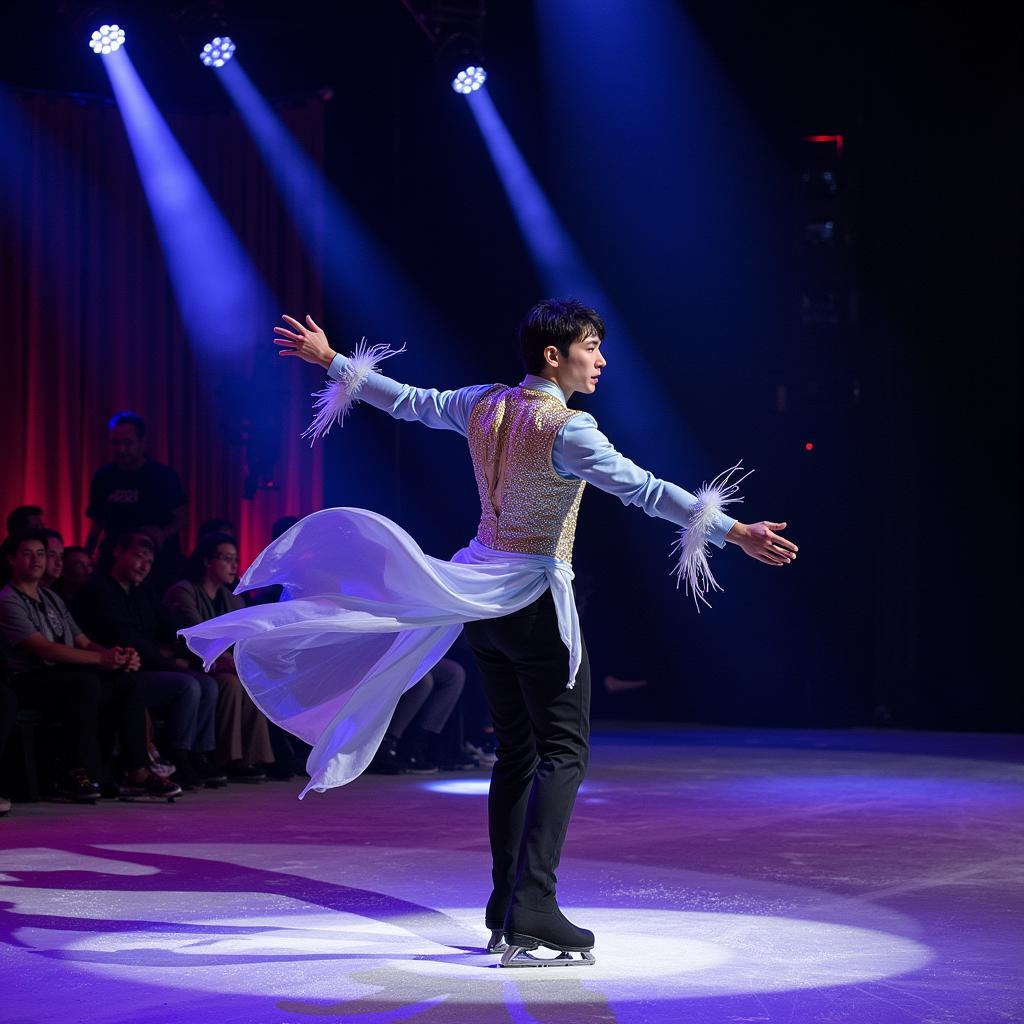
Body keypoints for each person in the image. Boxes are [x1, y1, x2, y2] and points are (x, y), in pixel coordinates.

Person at [181, 300, 797, 967]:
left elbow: (410, 401)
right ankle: (533, 904)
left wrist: (333, 360)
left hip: (480, 598)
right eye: (591, 346)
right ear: (553, 355)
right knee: (564, 751)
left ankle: (507, 907)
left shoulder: (484, 404)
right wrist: (733, 531)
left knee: (518, 753)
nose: (602, 359)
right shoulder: (569, 428)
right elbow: (643, 489)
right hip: (531, 598)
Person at [0, 530, 180, 801]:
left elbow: (83, 641)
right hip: (28, 680)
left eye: (41, 553)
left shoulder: (51, 598)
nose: (36, 560)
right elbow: (42, 648)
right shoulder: (7, 599)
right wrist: (101, 660)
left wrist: (116, 656)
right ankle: (73, 771)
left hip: (61, 677)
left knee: (125, 682)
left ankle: (137, 771)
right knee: (84, 681)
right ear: (11, 559)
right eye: (27, 553)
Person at [73, 532, 224, 790]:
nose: (144, 566)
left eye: (149, 562)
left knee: (208, 683)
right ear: (118, 552)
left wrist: (198, 654)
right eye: (139, 557)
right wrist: (173, 663)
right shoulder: (98, 589)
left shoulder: (142, 591)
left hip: (146, 667)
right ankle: (179, 754)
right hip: (118, 670)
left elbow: (172, 629)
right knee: (188, 686)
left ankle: (199, 754)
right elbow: (126, 637)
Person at [164, 533, 274, 781]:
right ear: (206, 561)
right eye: (227, 559)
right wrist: (241, 667)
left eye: (236, 559)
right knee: (234, 683)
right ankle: (227, 758)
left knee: (250, 684)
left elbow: (246, 637)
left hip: (223, 665)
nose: (234, 566)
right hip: (189, 662)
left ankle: (251, 757)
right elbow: (197, 639)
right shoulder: (183, 591)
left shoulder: (231, 597)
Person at [85, 411, 188, 593]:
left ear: (142, 442)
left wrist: (161, 535)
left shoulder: (162, 477)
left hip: (158, 565)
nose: (121, 450)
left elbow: (180, 517)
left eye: (127, 443)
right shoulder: (104, 477)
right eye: (116, 443)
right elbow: (97, 524)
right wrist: (86, 556)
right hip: (114, 563)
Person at [368, 657, 468, 774]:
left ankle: (419, 742)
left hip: (410, 653)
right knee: (423, 680)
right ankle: (387, 742)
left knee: (454, 673)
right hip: (383, 656)